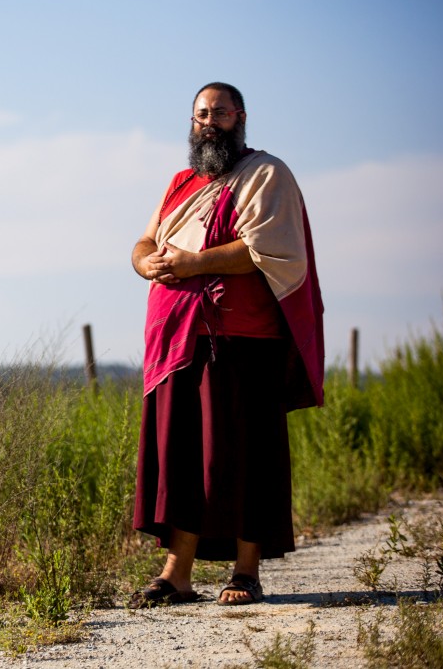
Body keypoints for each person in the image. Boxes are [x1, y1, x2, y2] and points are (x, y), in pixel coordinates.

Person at [128, 82, 324, 607]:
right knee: (182, 458)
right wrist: (146, 261)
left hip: (242, 339)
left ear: (239, 117)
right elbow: (144, 242)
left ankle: (246, 571)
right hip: (177, 342)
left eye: (218, 113)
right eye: (199, 114)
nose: (208, 122)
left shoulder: (266, 174)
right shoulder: (179, 183)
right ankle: (178, 573)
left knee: (244, 455)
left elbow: (272, 250)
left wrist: (194, 263)